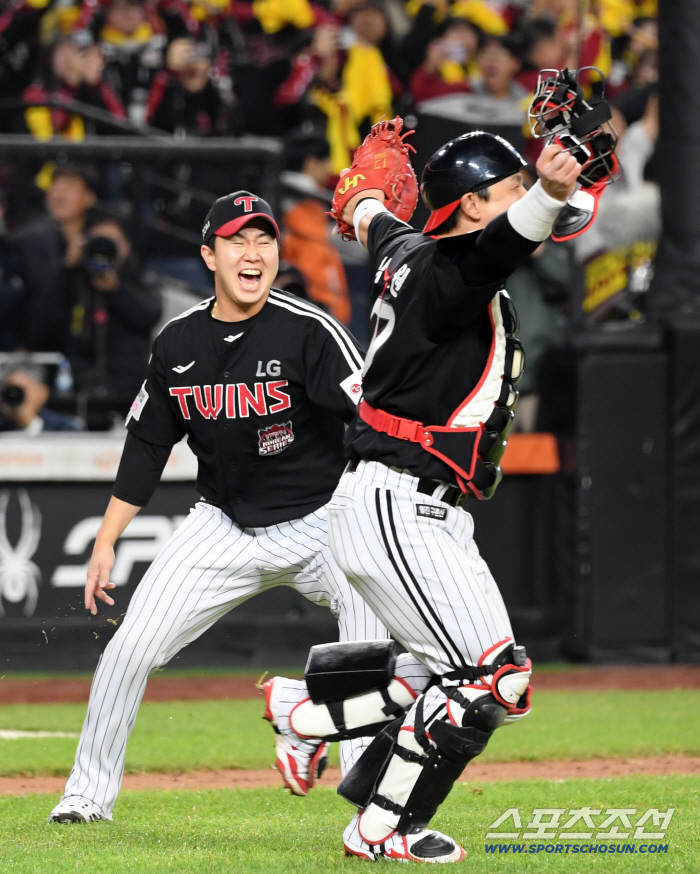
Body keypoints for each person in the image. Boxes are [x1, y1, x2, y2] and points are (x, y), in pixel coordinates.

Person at [262, 129, 581, 862]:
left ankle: (305, 714)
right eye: (504, 195)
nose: (519, 208)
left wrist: (368, 198)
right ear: (471, 205)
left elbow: (374, 215)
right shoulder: (452, 274)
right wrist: (550, 191)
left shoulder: (413, 253)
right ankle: (381, 828)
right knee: (497, 680)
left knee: (447, 673)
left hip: (410, 504)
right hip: (397, 502)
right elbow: (508, 240)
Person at [48, 190, 392, 824]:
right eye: (237, 240)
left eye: (264, 239)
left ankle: (370, 799)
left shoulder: (308, 330)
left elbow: (374, 418)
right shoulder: (178, 341)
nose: (253, 252)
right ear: (209, 255)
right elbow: (147, 447)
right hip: (223, 527)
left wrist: (378, 509)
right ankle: (85, 797)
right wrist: (106, 540)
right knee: (128, 649)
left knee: (367, 609)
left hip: (321, 519)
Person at [28, 216, 162, 422]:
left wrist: (116, 290)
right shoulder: (73, 279)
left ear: (125, 248)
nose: (102, 249)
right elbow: (42, 327)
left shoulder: (139, 277)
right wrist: (67, 270)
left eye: (110, 243)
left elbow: (150, 315)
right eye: (96, 241)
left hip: (131, 389)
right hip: (80, 390)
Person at [12, 163, 99, 347]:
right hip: (40, 346)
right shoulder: (30, 241)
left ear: (89, 197)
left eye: (68, 187)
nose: (58, 195)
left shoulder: (102, 241)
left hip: (88, 348)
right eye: (54, 187)